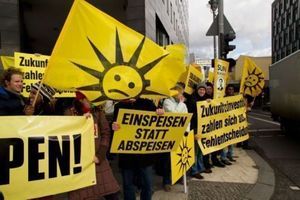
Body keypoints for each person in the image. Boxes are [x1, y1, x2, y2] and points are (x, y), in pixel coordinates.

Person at [57, 94, 121, 200]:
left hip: (98, 160)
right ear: (81, 100)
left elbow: (105, 133)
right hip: (80, 163)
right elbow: (65, 135)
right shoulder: (69, 113)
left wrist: (100, 155)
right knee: (84, 195)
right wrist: (80, 122)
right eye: (88, 99)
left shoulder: (97, 112)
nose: (91, 102)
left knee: (112, 194)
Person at [112, 98, 163, 200]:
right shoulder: (119, 106)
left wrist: (160, 112)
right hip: (127, 155)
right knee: (128, 185)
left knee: (147, 185)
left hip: (145, 156)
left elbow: (158, 121)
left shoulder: (147, 103)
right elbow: (114, 129)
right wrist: (113, 127)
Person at [161, 84, 189, 191]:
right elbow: (175, 114)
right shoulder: (167, 102)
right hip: (170, 134)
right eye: (179, 92)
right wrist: (181, 103)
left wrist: (186, 131)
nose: (181, 94)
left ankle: (178, 177)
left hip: (181, 134)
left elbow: (186, 118)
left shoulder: (182, 104)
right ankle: (166, 181)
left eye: (181, 92)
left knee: (180, 156)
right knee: (168, 159)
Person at [220, 84, 236, 163]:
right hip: (224, 123)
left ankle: (230, 154)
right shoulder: (223, 99)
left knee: (231, 141)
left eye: (232, 89)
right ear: (226, 90)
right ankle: (223, 157)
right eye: (229, 89)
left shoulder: (236, 99)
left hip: (233, 123)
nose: (230, 91)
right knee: (224, 140)